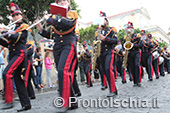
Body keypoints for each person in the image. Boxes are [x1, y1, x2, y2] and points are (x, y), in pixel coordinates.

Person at [34, 0, 79, 112]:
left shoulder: (72, 13)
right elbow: (53, 35)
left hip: (69, 44)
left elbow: (67, 23)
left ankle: (65, 102)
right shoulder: (56, 18)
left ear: (68, 3)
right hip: (58, 46)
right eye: (59, 1)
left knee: (63, 70)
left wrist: (49, 19)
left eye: (64, 0)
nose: (62, 2)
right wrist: (40, 29)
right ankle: (72, 102)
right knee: (62, 73)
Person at [0, 3, 31, 111]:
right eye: (13, 16)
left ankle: (9, 100)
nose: (15, 17)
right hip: (13, 55)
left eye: (17, 15)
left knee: (6, 73)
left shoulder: (24, 27)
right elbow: (7, 44)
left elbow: (17, 37)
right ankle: (26, 104)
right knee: (18, 80)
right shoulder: (13, 28)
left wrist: (5, 32)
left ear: (21, 15)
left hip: (20, 54)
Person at [97, 11, 118, 97]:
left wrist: (104, 39)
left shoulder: (112, 30)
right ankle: (111, 88)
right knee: (104, 71)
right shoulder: (98, 31)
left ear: (106, 20)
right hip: (101, 53)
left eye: (103, 19)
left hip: (109, 51)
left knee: (108, 69)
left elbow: (116, 41)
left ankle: (113, 90)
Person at [124, 21, 142, 87]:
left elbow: (141, 45)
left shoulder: (137, 36)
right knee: (132, 67)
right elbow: (124, 45)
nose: (129, 30)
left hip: (136, 52)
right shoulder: (125, 38)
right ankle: (135, 81)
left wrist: (133, 45)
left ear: (133, 29)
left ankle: (139, 81)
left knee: (136, 65)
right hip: (130, 53)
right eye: (128, 28)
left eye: (130, 28)